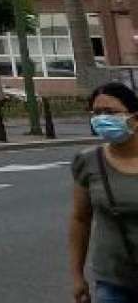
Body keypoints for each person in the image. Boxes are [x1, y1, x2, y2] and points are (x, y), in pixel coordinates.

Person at [72, 81, 138, 302]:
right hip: (113, 280)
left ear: (135, 118)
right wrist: (77, 276)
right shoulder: (88, 161)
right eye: (96, 113)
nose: (102, 119)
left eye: (110, 112)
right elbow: (80, 219)